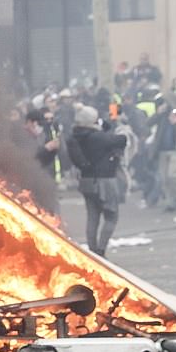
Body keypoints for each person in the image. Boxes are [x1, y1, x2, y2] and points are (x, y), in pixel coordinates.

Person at [66, 106, 126, 257]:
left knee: (92, 216)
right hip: (104, 180)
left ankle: (92, 251)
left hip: (86, 180)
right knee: (111, 216)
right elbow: (120, 140)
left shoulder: (75, 136)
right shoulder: (96, 137)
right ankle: (101, 249)